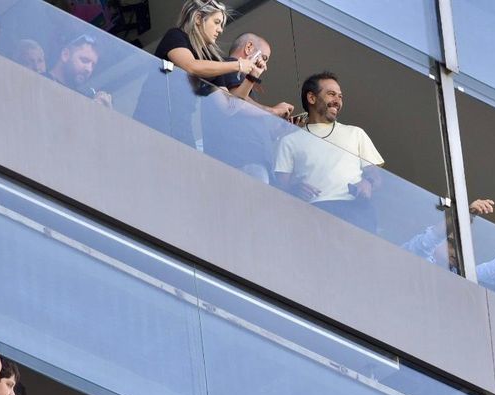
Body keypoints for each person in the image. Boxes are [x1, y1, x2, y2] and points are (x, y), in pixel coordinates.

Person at [133, 0, 258, 147]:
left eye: (222, 25)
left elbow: (228, 107)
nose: (220, 30)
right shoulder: (176, 36)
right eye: (217, 22)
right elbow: (191, 66)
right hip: (152, 120)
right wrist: (237, 65)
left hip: (182, 130)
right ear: (198, 18)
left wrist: (251, 77)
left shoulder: (211, 61)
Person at [275, 72, 384, 233]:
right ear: (311, 98)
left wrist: (367, 183)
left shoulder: (356, 133)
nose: (337, 100)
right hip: (313, 213)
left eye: (340, 96)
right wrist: (295, 188)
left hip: (356, 210)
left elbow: (376, 176)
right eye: (331, 94)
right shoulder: (289, 140)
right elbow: (280, 186)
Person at [202, 32, 294, 184]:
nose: (265, 65)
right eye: (264, 58)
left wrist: (277, 130)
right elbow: (236, 102)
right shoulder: (232, 66)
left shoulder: (237, 74)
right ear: (249, 47)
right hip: (243, 159)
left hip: (244, 160)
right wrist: (272, 111)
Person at [47, 34, 112, 107]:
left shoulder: (83, 100)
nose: (89, 69)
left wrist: (99, 110)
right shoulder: (38, 78)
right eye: (84, 60)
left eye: (93, 65)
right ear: (65, 55)